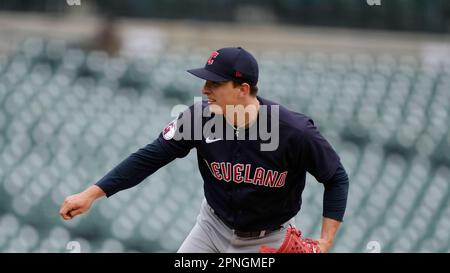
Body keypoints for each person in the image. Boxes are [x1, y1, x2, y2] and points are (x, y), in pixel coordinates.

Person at [59, 47, 349, 253]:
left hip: (268, 240)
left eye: (215, 82)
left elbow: (336, 177)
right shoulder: (199, 118)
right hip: (212, 228)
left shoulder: (294, 131)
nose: (204, 89)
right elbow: (150, 157)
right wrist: (92, 194)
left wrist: (325, 242)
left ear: (242, 89)